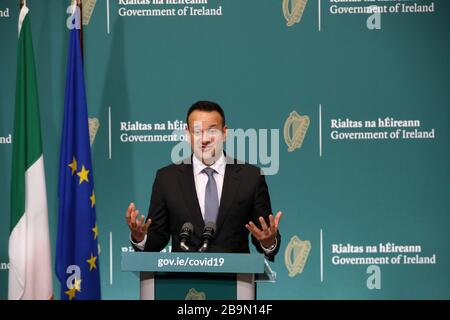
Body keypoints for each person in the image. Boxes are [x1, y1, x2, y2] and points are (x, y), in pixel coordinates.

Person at [125, 101, 282, 260]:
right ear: (188, 134)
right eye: (197, 131)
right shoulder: (167, 178)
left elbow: (263, 233)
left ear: (224, 133)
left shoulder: (251, 177)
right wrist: (140, 238)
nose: (205, 139)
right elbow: (157, 239)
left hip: (235, 280)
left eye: (212, 131)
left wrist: (268, 242)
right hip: (183, 281)